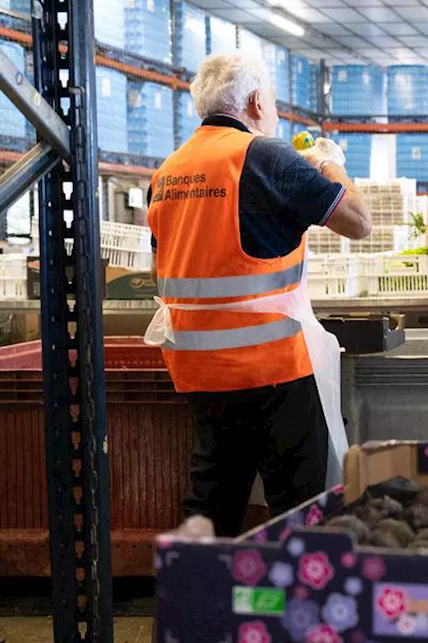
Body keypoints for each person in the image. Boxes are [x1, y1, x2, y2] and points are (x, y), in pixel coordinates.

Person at [146, 52, 373, 537]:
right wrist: (330, 165)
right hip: (271, 366)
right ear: (254, 101)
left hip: (198, 368)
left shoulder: (168, 171)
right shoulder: (266, 155)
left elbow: (162, 263)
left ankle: (202, 601)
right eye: (270, 100)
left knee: (214, 499)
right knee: (297, 502)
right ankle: (296, 603)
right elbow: (358, 222)